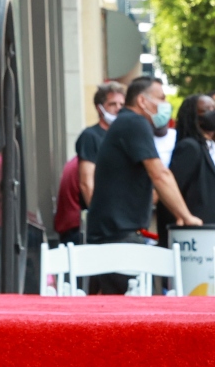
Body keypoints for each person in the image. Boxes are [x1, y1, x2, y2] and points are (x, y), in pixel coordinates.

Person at [86, 76, 201, 293]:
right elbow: (160, 175)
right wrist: (186, 217)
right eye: (160, 98)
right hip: (119, 237)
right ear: (142, 101)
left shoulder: (125, 123)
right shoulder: (134, 123)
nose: (165, 105)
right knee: (132, 313)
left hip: (115, 234)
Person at [158, 94, 215, 243]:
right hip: (200, 233)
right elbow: (172, 191)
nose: (214, 113)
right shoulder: (190, 147)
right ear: (194, 117)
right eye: (207, 110)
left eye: (214, 109)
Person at [77, 81, 125, 208]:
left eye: (122, 104)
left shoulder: (125, 136)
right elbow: (86, 183)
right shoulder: (90, 136)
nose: (119, 108)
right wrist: (97, 214)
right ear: (100, 108)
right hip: (104, 216)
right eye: (112, 104)